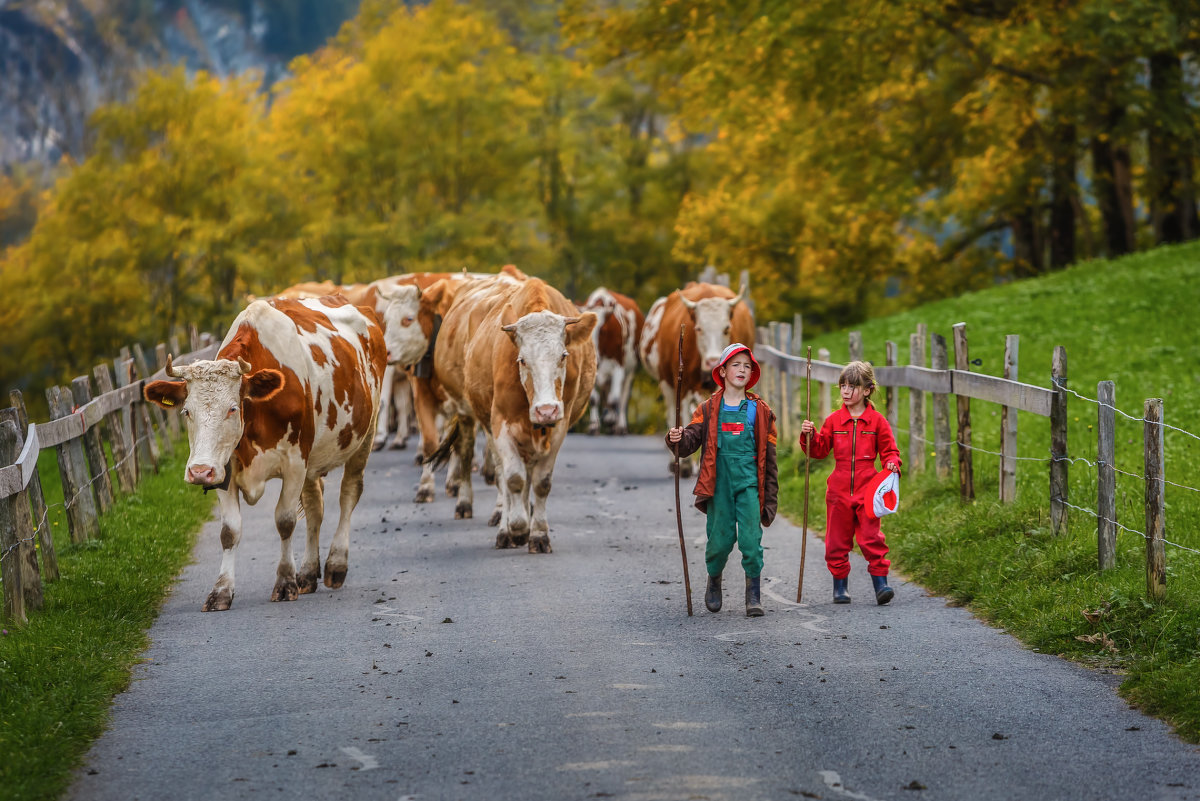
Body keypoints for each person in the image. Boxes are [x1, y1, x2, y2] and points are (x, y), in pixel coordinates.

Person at [667, 343, 778, 616]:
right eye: (735, 364)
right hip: (718, 485)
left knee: (752, 541)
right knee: (720, 541)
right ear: (723, 370)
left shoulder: (760, 411)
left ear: (752, 373)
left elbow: (771, 458)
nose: (741, 370)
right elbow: (690, 441)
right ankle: (714, 578)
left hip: (749, 482)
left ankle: (753, 595)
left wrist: (771, 495)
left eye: (747, 366)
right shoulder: (707, 408)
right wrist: (677, 439)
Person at [800, 360, 901, 605]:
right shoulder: (834, 421)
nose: (845, 391)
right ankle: (840, 587)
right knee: (836, 540)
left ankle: (881, 585)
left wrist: (892, 463)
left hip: (869, 491)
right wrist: (809, 436)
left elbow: (890, 451)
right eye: (842, 386)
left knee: (871, 538)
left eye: (852, 387)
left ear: (867, 390)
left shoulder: (877, 422)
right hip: (838, 491)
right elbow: (820, 450)